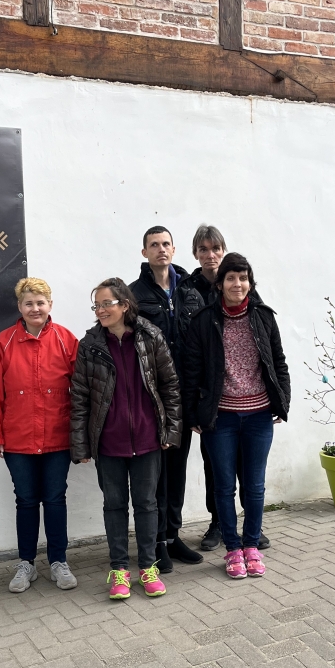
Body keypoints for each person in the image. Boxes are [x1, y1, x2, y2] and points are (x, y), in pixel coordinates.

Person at [71, 278, 181, 600]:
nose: (101, 310)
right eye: (97, 305)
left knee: (147, 505)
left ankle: (148, 567)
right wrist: (81, 444)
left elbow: (170, 386)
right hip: (109, 442)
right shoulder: (90, 344)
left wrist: (170, 430)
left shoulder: (151, 336)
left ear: (125, 305)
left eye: (107, 303)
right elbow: (79, 397)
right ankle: (119, 569)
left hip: (148, 439)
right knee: (114, 506)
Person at [183, 253, 290, 579]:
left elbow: (279, 363)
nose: (237, 283)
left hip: (259, 416)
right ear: (220, 284)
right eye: (231, 278)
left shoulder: (263, 317)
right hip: (221, 419)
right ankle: (232, 548)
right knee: (224, 487)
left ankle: (252, 545)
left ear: (250, 283)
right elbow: (191, 372)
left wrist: (282, 402)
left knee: (255, 487)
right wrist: (193, 413)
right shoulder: (204, 321)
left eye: (243, 278)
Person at [0, 277, 80, 593]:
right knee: (25, 500)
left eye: (40, 302)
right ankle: (26, 563)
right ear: (20, 307)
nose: (35, 308)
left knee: (54, 499)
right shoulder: (6, 340)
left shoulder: (66, 339)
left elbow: (81, 391)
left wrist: (80, 434)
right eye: (29, 303)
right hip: (18, 439)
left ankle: (58, 561)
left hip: (57, 438)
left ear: (50, 305)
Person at [187, 225, 271, 554]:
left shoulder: (252, 300)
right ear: (196, 254)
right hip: (216, 405)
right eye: (203, 249)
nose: (210, 254)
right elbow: (192, 360)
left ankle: (252, 530)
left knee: (250, 475)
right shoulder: (189, 289)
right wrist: (195, 407)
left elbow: (271, 353)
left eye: (215, 248)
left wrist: (280, 400)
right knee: (217, 472)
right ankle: (219, 525)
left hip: (254, 409)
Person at [129, 227, 203, 573]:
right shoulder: (134, 294)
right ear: (145, 252)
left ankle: (173, 536)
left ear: (174, 250)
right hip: (151, 398)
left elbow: (202, 343)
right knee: (154, 474)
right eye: (154, 245)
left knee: (177, 470)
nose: (161, 249)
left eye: (166, 244)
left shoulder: (190, 291)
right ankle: (155, 541)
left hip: (183, 397)